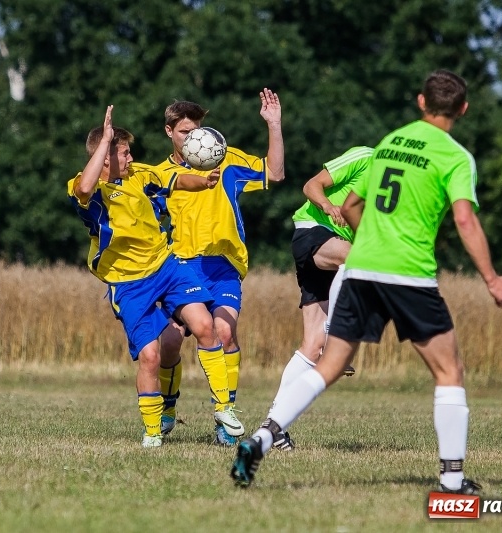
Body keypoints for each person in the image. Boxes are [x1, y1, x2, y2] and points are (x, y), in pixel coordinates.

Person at [231, 69, 502, 493]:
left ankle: (262, 438)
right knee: (449, 369)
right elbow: (464, 218)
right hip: (407, 272)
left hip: (362, 266)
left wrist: (372, 239)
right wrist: (491, 278)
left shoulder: (388, 144)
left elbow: (350, 205)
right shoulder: (455, 156)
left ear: (421, 102)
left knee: (328, 364)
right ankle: (453, 482)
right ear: (463, 109)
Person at [68, 105, 244, 447]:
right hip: (128, 282)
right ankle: (152, 433)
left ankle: (224, 408)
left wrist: (204, 180)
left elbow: (177, 181)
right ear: (105, 158)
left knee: (206, 326)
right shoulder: (87, 187)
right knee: (150, 355)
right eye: (124, 153)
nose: (131, 158)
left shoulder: (141, 175)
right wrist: (104, 141)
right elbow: (86, 187)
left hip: (166, 266)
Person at [153, 88, 285, 446]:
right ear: (169, 132)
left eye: (197, 131)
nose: (194, 138)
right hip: (179, 266)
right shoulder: (159, 176)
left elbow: (275, 172)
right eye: (184, 132)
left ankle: (225, 419)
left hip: (223, 265)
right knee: (168, 342)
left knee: (224, 332)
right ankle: (166, 406)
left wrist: (273, 125)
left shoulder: (226, 160)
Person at [269, 145, 374, 451]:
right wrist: (329, 206)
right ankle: (337, 333)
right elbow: (310, 185)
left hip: (336, 256)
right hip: (314, 231)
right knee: (355, 259)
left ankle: (274, 425)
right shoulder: (365, 157)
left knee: (312, 347)